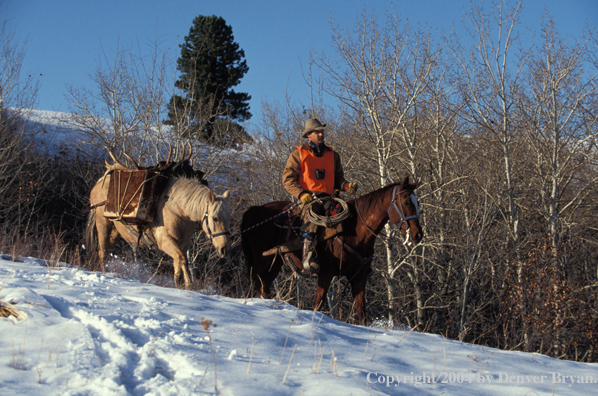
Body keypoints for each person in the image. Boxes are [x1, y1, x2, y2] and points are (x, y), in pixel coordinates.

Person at [282, 118, 357, 273]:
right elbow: (288, 179)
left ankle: (355, 255)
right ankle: (308, 256)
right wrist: (301, 194)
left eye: (322, 131)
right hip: (310, 199)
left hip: (331, 197)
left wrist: (346, 186)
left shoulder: (333, 155)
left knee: (352, 215)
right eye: (317, 132)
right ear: (309, 135)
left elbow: (338, 178)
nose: (321, 134)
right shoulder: (298, 155)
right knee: (312, 216)